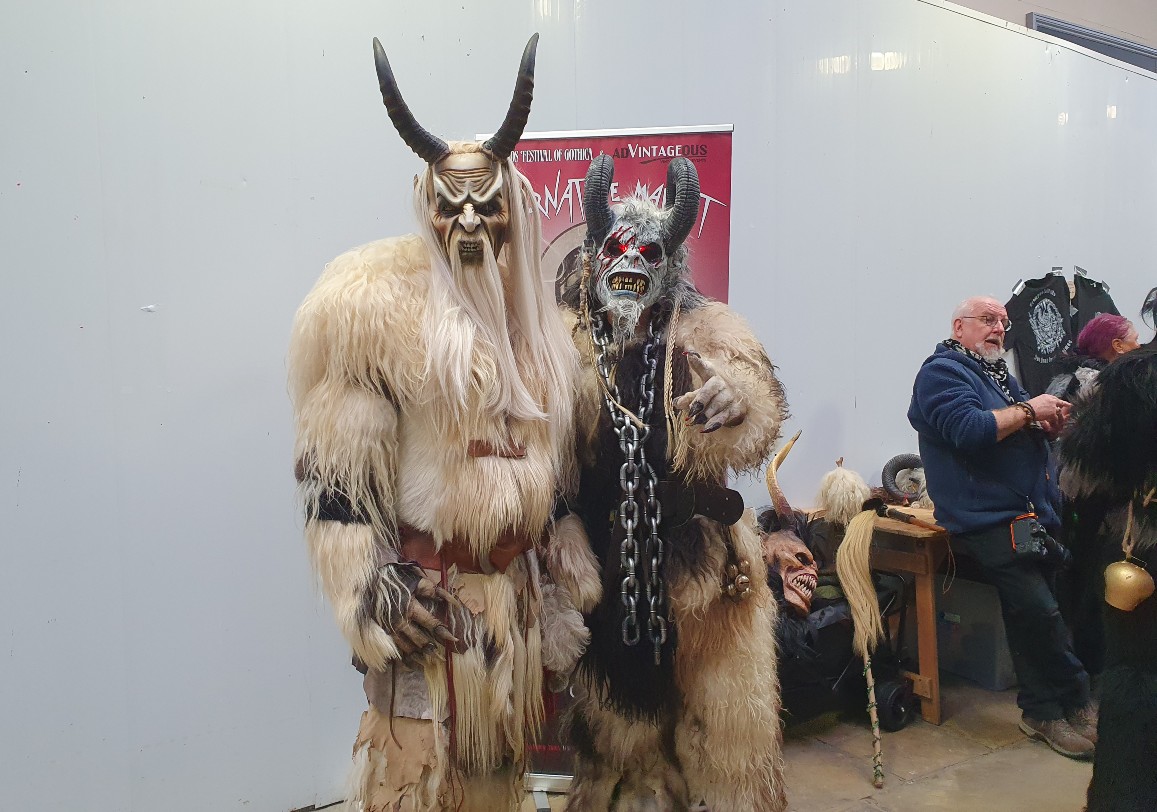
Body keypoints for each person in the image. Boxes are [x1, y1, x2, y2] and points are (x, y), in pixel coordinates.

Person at [288, 36, 587, 811]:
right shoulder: (374, 313)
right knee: (413, 777)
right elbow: (337, 478)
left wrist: (555, 571)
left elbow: (548, 475)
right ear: (427, 206)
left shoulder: (539, 332)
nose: (467, 221)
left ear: (511, 212)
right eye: (448, 203)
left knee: (498, 780)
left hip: (512, 610)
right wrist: (370, 588)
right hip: (430, 600)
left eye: (484, 204)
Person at [555, 154, 789, 811]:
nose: (630, 264)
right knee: (621, 738)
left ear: (669, 263)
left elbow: (755, 395)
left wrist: (732, 398)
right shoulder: (569, 345)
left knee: (718, 733)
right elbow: (550, 456)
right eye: (616, 251)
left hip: (705, 569)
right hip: (612, 567)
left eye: (646, 252)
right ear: (597, 259)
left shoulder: (707, 328)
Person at [908, 296, 1096, 759]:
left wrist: (1044, 426)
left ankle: (1041, 712)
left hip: (1028, 515)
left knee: (1030, 614)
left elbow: (1007, 426)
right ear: (959, 326)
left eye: (1003, 323)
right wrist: (1031, 410)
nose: (998, 329)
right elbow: (970, 430)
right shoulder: (942, 372)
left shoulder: (995, 374)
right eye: (988, 320)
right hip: (987, 518)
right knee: (1041, 613)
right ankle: (1076, 699)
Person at [1059, 342, 1157, 810]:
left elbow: (1079, 479)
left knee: (1135, 681)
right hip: (1140, 571)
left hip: (1142, 566)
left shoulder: (1131, 380)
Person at [1046, 313, 1142, 402]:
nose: (1139, 346)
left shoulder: (1065, 379)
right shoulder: (1107, 385)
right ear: (1118, 346)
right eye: (1136, 340)